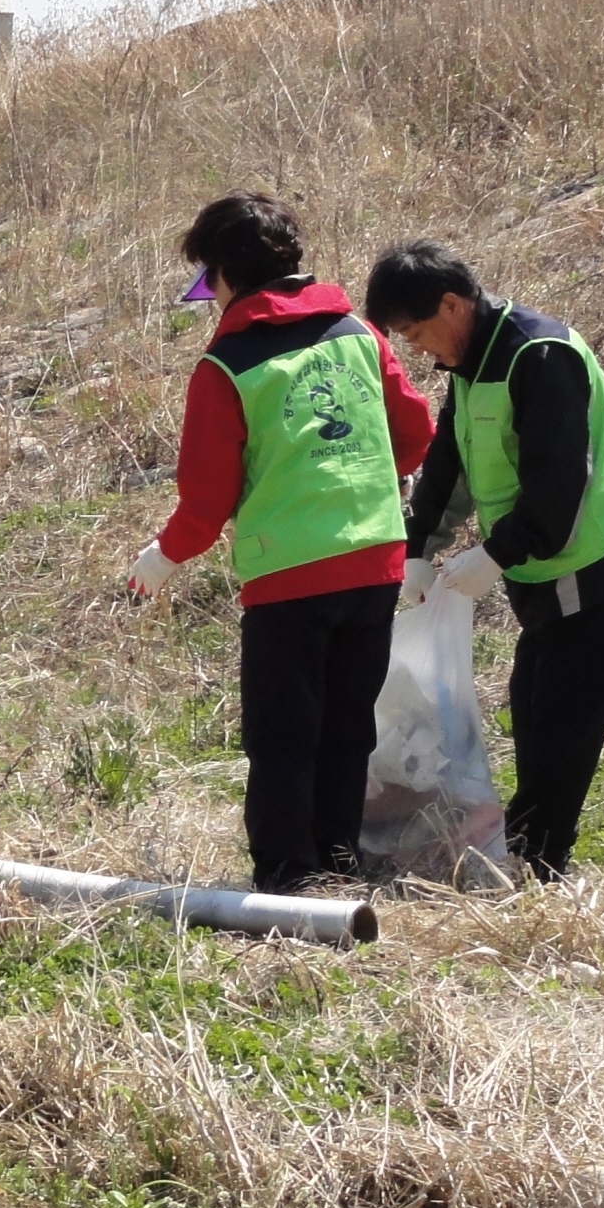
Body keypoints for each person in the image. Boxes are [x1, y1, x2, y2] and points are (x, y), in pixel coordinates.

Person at [125, 192, 436, 893]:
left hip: (289, 575)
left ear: (224, 274)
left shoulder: (225, 365)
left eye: (207, 279)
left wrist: (164, 555)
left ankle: (285, 879)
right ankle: (338, 860)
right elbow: (416, 434)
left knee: (282, 736)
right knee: (348, 725)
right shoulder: (359, 333)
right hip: (376, 561)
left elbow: (206, 500)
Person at [362, 240, 604, 883]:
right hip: (544, 565)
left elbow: (560, 485)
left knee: (560, 716)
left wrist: (496, 554)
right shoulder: (474, 360)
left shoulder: (540, 356)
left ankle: (541, 862)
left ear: (451, 303)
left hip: (595, 561)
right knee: (531, 702)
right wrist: (419, 547)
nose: (416, 348)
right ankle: (526, 847)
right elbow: (453, 456)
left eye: (416, 332)